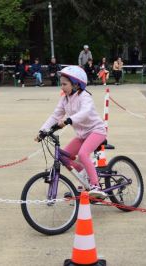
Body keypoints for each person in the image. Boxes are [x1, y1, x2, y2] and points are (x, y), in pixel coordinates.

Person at [36, 66, 107, 198]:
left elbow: (85, 113)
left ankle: (95, 185)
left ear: (76, 84)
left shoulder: (84, 96)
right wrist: (42, 131)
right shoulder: (65, 99)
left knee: (83, 154)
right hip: (82, 135)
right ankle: (86, 176)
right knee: (64, 157)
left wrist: (69, 120)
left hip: (96, 130)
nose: (61, 87)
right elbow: (55, 116)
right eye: (61, 83)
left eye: (64, 84)